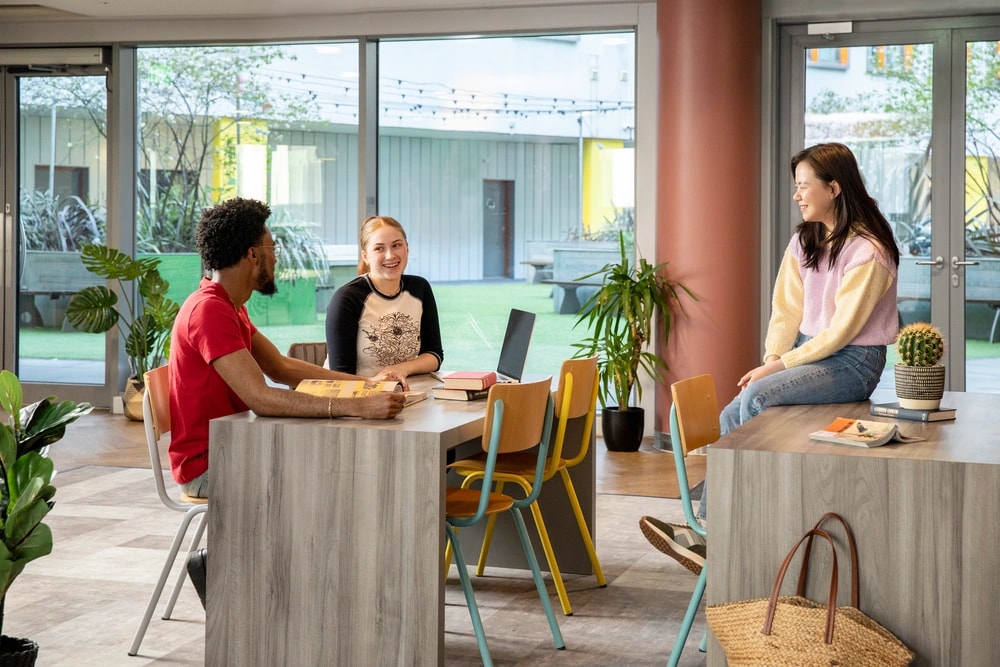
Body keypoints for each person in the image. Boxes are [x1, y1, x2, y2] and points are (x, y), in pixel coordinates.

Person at [169, 197, 407, 606]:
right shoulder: (209, 311)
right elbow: (261, 397)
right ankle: (272, 589)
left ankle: (304, 594)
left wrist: (361, 387)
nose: (275, 257)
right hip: (211, 465)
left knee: (337, 476)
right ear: (251, 255)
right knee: (331, 481)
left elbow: (281, 368)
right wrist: (353, 405)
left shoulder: (229, 306)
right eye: (272, 249)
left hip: (239, 450)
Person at [697, 142, 900, 522]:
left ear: (834, 188)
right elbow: (786, 310)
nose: (797, 195)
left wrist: (776, 370)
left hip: (854, 361)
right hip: (810, 350)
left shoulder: (868, 251)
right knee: (731, 413)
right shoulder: (804, 240)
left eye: (804, 185)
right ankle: (716, 527)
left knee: (757, 394)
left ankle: (744, 520)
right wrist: (774, 357)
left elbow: (839, 334)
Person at [325, 215, 443, 379]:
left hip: (404, 393)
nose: (390, 255)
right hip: (353, 398)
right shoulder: (347, 298)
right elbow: (341, 375)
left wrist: (402, 369)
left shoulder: (420, 288)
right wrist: (376, 384)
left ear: (407, 248)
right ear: (366, 256)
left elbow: (434, 354)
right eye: (379, 248)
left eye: (396, 245)